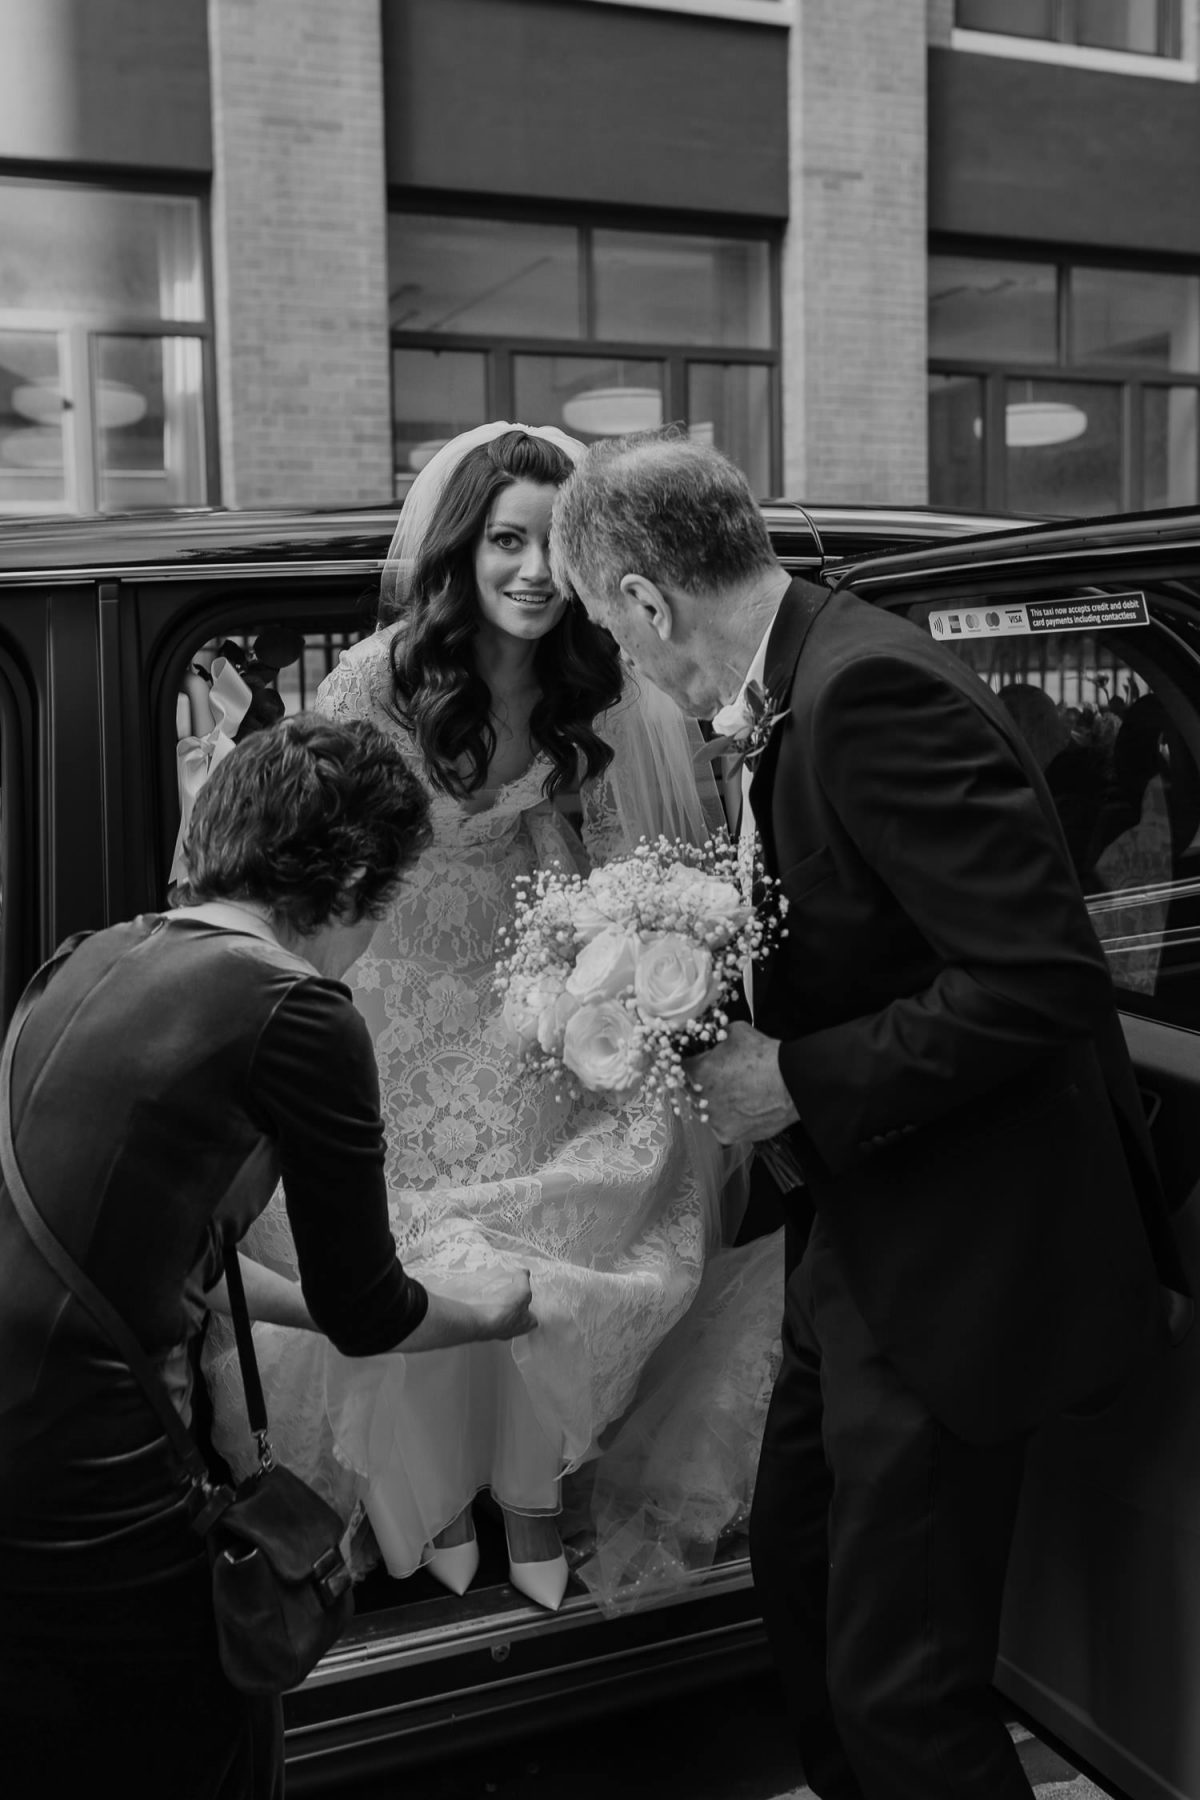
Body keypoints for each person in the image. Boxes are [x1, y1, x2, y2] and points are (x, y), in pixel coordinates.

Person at [550, 432, 1190, 1799]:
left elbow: (1037, 979)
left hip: (956, 1253)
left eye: (611, 628)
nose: (626, 661)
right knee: (803, 1577)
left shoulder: (867, 690)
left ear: (649, 599)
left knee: (905, 1689)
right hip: (857, 1229)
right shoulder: (797, 681)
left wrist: (796, 1075)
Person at [207, 422, 762, 1615]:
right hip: (389, 978)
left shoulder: (593, 682)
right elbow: (319, 852)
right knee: (407, 1232)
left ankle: (531, 1490)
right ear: (460, 550)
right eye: (506, 541)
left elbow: (610, 848)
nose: (532, 571)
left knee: (588, 1184)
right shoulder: (376, 681)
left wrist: (604, 950)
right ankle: (436, 1494)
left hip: (522, 984)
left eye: (553, 545)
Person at [0, 715, 536, 1800]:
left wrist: (304, 1303)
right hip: (109, 1493)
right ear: (353, 880)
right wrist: (487, 1310)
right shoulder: (300, 1012)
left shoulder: (84, 959)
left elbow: (156, 1260)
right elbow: (369, 1310)